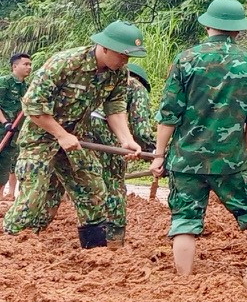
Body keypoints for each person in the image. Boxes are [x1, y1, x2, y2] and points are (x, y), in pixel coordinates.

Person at [149, 0, 247, 276]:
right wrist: (243, 148)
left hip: (186, 158)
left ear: (207, 26)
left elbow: (169, 114)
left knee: (184, 221)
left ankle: (184, 282)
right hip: (231, 159)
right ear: (238, 30)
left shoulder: (186, 59)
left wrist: (158, 154)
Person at [3, 22, 146, 247]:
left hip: (76, 139)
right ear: (105, 47)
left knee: (93, 189)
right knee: (33, 197)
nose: (125, 61)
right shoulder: (66, 63)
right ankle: (10, 248)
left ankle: (95, 251)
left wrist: (126, 140)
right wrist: (60, 134)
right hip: (40, 139)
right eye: (123, 55)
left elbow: (115, 107)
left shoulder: (118, 73)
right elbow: (32, 105)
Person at [87, 61, 156, 246]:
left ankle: (91, 234)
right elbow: (141, 128)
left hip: (81, 131)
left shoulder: (102, 79)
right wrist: (154, 150)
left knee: (89, 181)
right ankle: (113, 239)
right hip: (104, 129)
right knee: (114, 184)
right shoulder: (135, 86)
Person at [0, 52, 33, 200]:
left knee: (6, 163)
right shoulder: (5, 82)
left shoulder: (26, 88)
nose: (29, 67)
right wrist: (5, 122)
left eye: (30, 64)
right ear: (15, 66)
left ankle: (1, 197)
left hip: (15, 133)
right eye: (26, 64)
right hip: (3, 129)